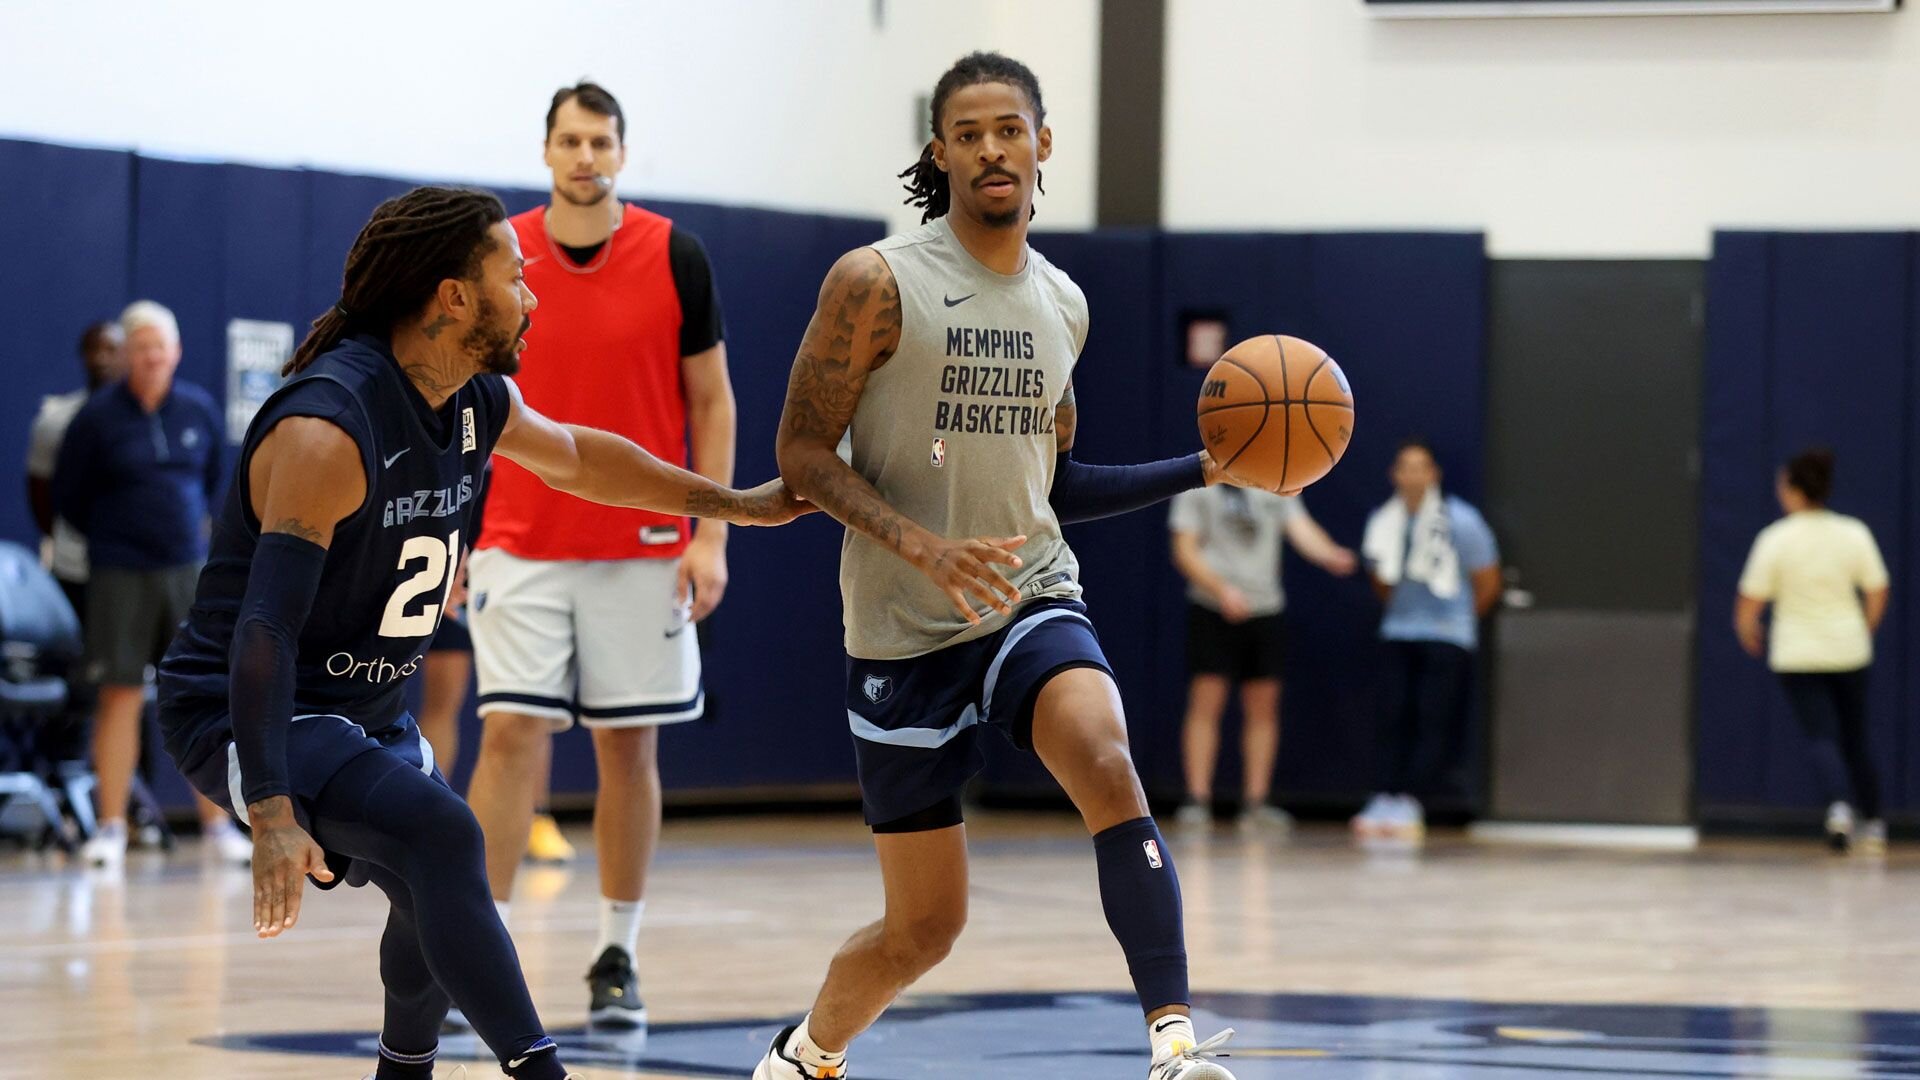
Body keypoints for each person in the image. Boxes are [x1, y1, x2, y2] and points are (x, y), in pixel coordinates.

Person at [154, 186, 805, 1080]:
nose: (533, 295)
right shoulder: (327, 429)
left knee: (430, 893)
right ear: (453, 297)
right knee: (447, 836)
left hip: (364, 711)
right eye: (516, 276)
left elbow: (581, 458)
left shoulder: (476, 401)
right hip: (247, 711)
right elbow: (264, 628)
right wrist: (268, 807)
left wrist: (735, 506)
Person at [756, 52, 1245, 1080]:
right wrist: (920, 543)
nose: (991, 148)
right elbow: (798, 456)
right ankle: (806, 1054)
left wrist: (1205, 467)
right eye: (969, 133)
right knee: (922, 931)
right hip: (902, 624)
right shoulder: (877, 281)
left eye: (1009, 129)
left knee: (1109, 762)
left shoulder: (1063, 304)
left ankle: (1174, 1041)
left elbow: (1052, 486)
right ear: (941, 153)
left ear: (1041, 144)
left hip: (1028, 593)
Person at [461, 80, 734, 1029]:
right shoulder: (500, 252)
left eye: (602, 141)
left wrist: (712, 531)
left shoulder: (676, 254)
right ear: (546, 152)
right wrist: (453, 529)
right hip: (516, 539)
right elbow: (459, 399)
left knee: (630, 747)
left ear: (622, 152)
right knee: (506, 737)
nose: (586, 157)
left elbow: (712, 403)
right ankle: (479, 950)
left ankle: (617, 950)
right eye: (570, 141)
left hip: (644, 542)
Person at [52, 301, 250, 866]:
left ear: (176, 353)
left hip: (185, 570)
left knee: (200, 692)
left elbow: (214, 479)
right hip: (118, 571)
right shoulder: (96, 419)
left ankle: (217, 827)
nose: (151, 357)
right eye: (141, 348)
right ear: (126, 355)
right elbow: (69, 496)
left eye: (160, 348)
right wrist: (119, 536)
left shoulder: (198, 411)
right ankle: (111, 826)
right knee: (118, 693)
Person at [1168, 486, 1355, 830]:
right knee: (1206, 702)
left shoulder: (1277, 481)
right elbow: (1184, 549)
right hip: (1213, 606)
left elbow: (1301, 528)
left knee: (1263, 708)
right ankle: (1197, 799)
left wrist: (1330, 554)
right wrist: (1220, 589)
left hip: (1265, 607)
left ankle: (1256, 802)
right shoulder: (1199, 484)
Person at [1735, 448, 1890, 854]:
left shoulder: (1775, 539)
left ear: (1792, 490)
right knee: (1855, 738)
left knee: (1822, 735)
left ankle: (1839, 808)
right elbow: (1877, 588)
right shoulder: (1853, 533)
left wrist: (1748, 630)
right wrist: (1863, 627)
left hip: (1798, 654)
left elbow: (1749, 604)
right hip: (1849, 650)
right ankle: (1873, 823)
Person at [1352, 438, 1500, 841]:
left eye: (1421, 467)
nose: (1412, 474)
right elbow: (1381, 581)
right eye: (1405, 466)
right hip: (1399, 632)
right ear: (1394, 474)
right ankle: (1384, 795)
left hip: (1447, 636)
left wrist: (1454, 622)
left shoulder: (1461, 521)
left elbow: (1487, 582)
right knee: (1393, 716)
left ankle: (1413, 800)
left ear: (1433, 474)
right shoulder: (1383, 522)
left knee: (1432, 719)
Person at [26, 321, 125, 615]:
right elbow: (41, 494)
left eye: (111, 349)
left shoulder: (146, 422)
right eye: (94, 349)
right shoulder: (54, 422)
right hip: (73, 564)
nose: (101, 358)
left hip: (133, 565)